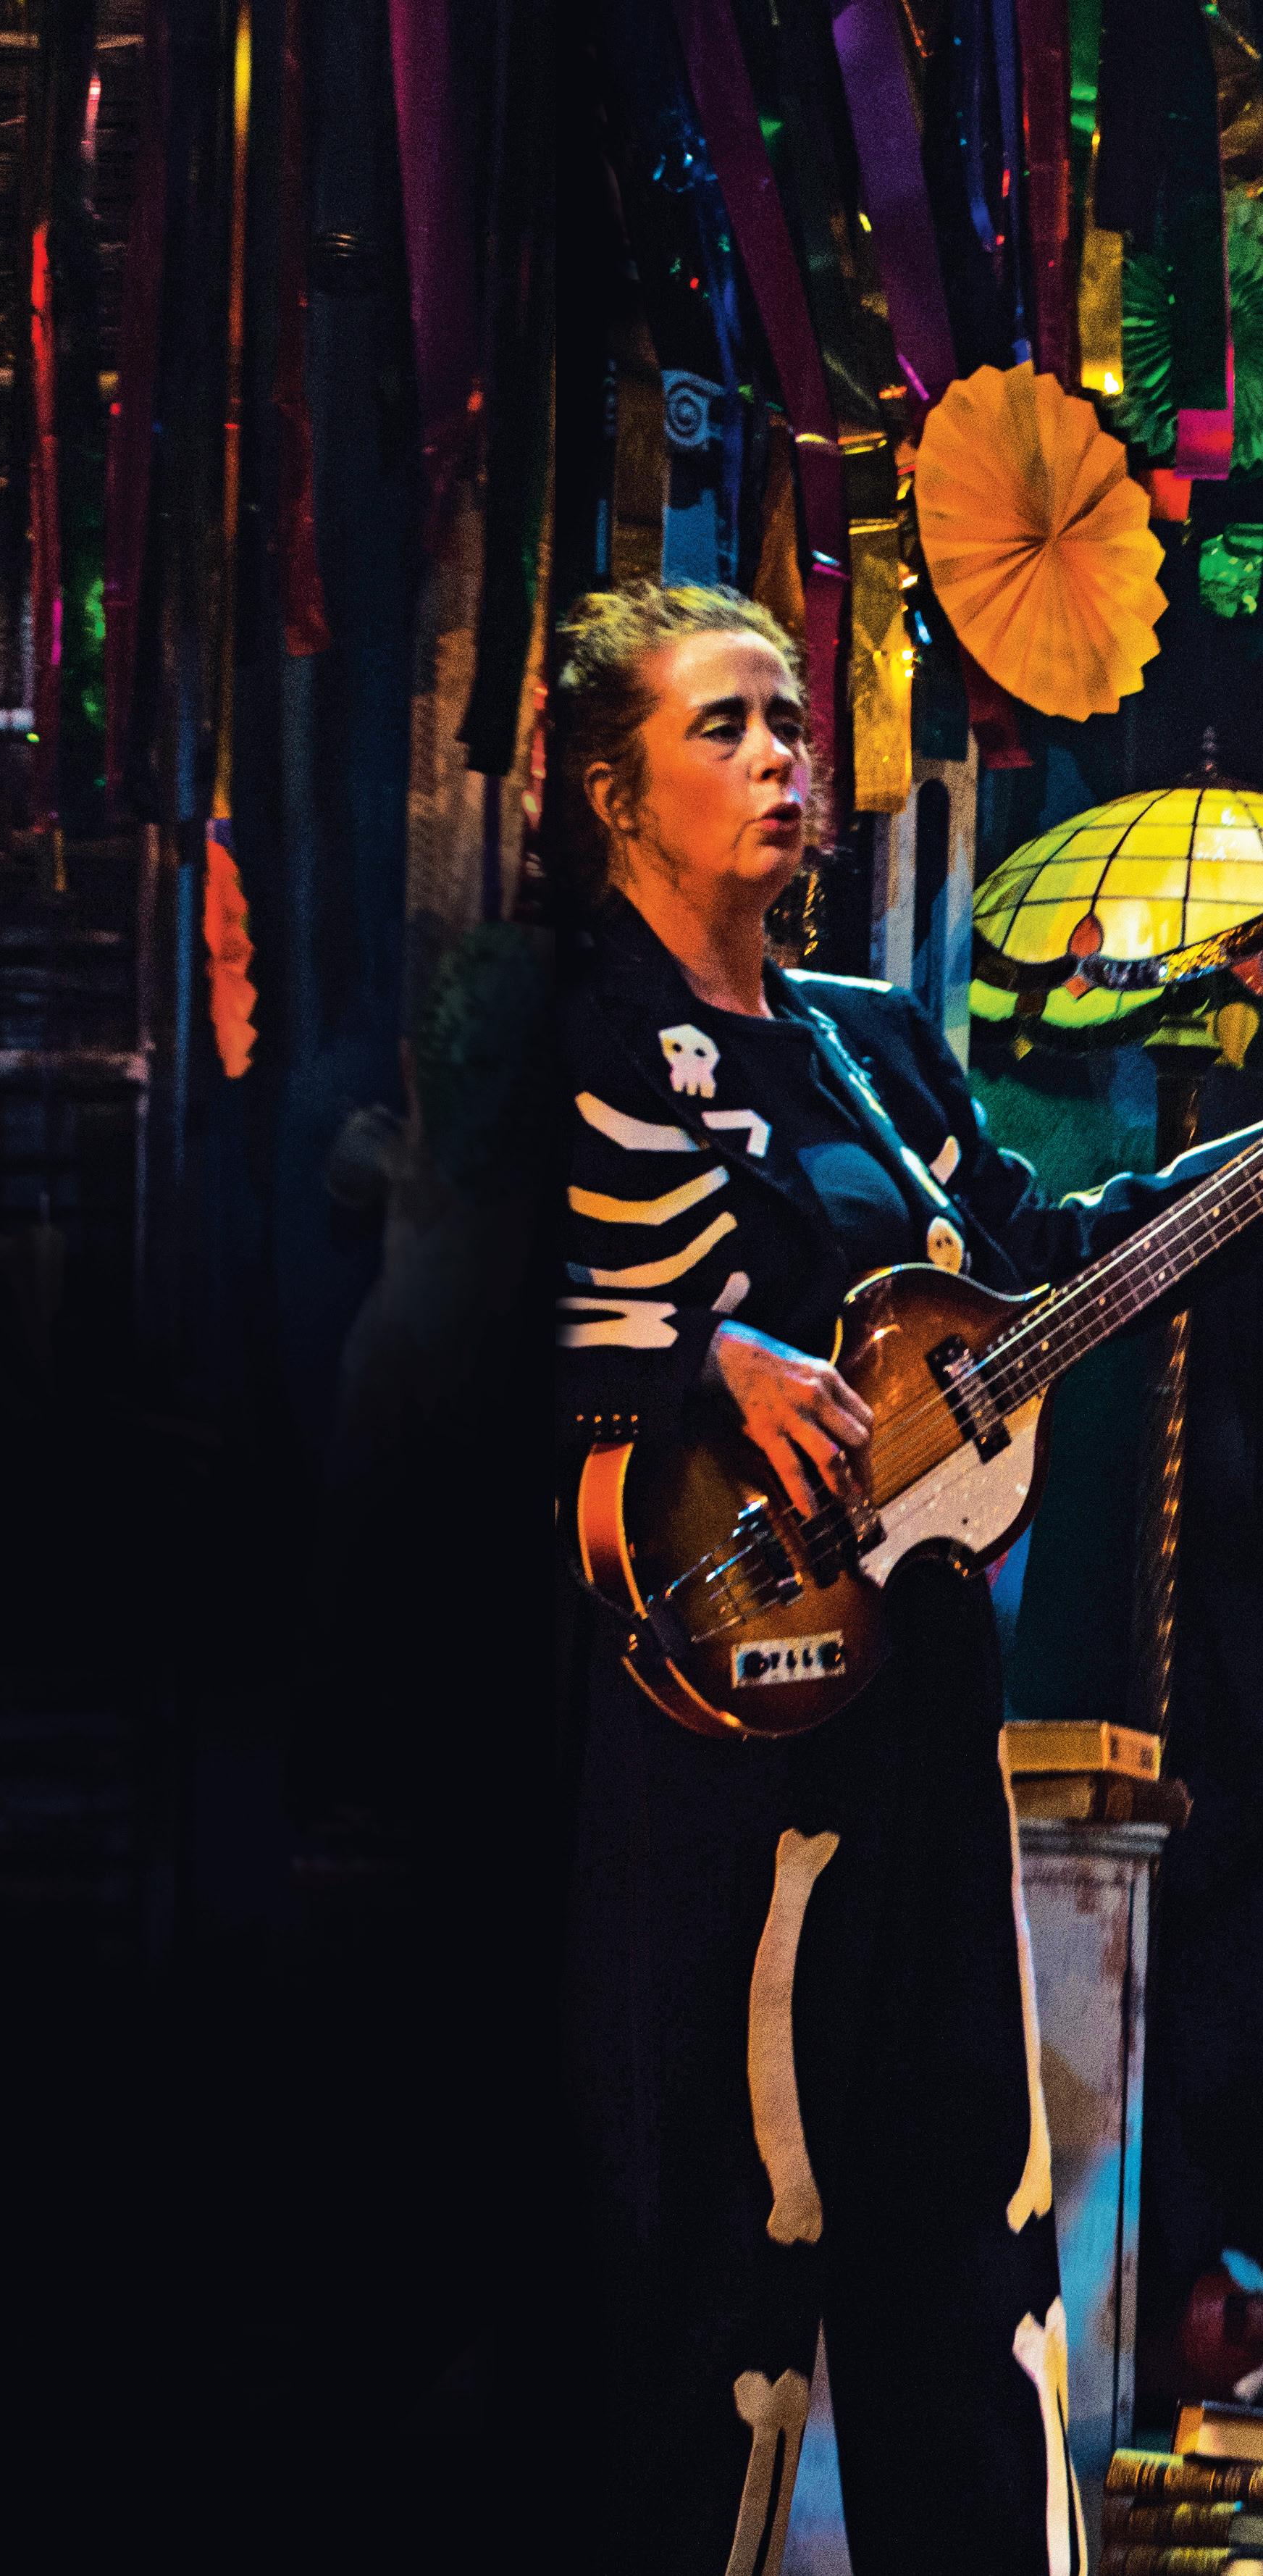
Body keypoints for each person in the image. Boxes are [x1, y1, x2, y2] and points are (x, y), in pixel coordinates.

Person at [548, 581, 1262, 2575]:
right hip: (709, 1743)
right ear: (612, 790)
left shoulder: (868, 1040)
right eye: (724, 726)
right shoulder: (574, 1032)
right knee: (726, 2246)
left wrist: (1232, 1172)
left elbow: (1033, 1258)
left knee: (967, 2231)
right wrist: (701, 1353)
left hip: (928, 1718)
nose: (783, 758)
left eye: (792, 720)